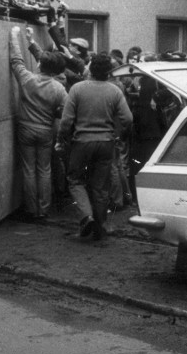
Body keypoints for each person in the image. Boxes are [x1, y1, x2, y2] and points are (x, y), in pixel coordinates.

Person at [56, 53, 133, 241]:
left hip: (81, 143)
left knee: (75, 180)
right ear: (108, 72)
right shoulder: (115, 91)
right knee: (100, 186)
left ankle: (86, 215)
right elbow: (128, 119)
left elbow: (66, 121)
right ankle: (99, 226)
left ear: (90, 68)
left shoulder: (77, 89)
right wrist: (118, 135)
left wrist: (61, 140)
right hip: (106, 143)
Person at [9, 27, 68, 218]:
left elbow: (16, 61)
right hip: (45, 131)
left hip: (26, 128)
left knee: (28, 169)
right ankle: (44, 209)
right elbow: (66, 110)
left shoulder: (28, 79)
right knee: (44, 169)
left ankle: (31, 209)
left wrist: (14, 37)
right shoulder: (59, 88)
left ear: (40, 65)